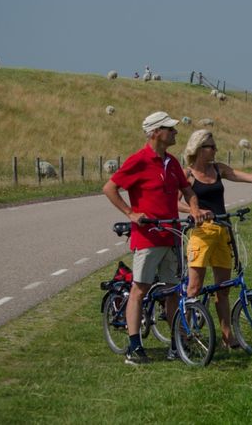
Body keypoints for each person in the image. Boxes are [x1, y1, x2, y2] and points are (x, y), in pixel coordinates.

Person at [103, 111, 207, 365]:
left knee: (172, 292)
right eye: (170, 129)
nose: (175, 132)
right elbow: (109, 188)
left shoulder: (171, 162)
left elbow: (188, 191)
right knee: (140, 289)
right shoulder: (138, 160)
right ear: (155, 133)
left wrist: (194, 210)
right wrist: (131, 212)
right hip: (148, 238)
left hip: (170, 236)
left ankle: (175, 344)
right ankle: (134, 346)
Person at [178, 130, 252, 349]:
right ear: (198, 149)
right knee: (194, 288)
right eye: (210, 146)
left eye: (214, 146)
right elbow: (175, 203)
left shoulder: (218, 169)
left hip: (223, 231)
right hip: (201, 234)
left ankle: (227, 336)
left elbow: (250, 178)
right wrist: (196, 210)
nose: (215, 150)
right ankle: (184, 334)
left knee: (223, 289)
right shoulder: (188, 175)